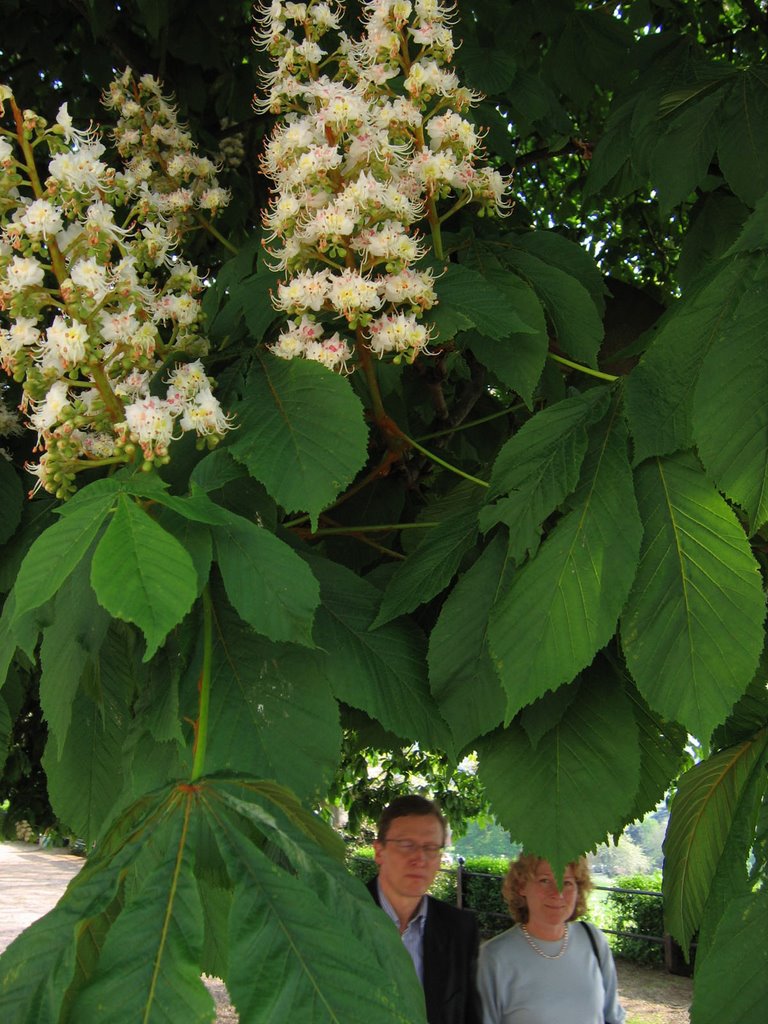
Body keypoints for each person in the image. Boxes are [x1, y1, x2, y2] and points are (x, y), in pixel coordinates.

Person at [368, 795, 482, 1024]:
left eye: (430, 848)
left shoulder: (460, 930)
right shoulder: (336, 917)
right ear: (379, 852)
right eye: (406, 845)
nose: (419, 858)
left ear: (439, 858)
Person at [477, 854, 625, 1024]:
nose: (557, 892)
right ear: (521, 886)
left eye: (568, 882)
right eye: (545, 880)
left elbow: (613, 1018)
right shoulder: (493, 957)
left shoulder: (593, 940)